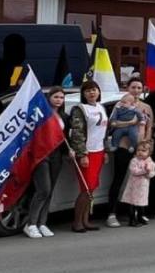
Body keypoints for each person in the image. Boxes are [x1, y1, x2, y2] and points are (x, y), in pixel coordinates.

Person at [105, 76, 153, 227]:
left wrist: (146, 144)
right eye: (133, 87)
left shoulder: (146, 107)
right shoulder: (120, 105)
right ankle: (112, 213)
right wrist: (129, 123)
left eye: (139, 88)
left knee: (140, 182)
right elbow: (112, 124)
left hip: (141, 150)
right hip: (124, 146)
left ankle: (138, 212)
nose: (136, 91)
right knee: (118, 179)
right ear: (128, 88)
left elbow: (149, 127)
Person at [24, 86, 68, 239]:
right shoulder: (41, 115)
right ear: (49, 98)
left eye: (61, 98)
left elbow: (65, 137)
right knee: (43, 189)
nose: (59, 100)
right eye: (56, 97)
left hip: (57, 155)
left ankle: (42, 223)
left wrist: (71, 150)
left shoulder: (64, 116)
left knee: (50, 191)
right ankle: (31, 224)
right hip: (41, 154)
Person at [66, 79, 106, 233]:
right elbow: (77, 133)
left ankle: (85, 220)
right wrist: (82, 154)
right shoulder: (80, 109)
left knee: (92, 188)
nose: (92, 92)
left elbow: (104, 131)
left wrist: (106, 151)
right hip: (87, 152)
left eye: (94, 90)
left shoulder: (101, 107)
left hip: (99, 151)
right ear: (83, 93)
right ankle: (77, 222)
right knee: (86, 188)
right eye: (88, 90)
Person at [123, 140, 155, 227]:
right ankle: (132, 219)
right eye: (138, 150)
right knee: (133, 203)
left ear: (149, 153)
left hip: (143, 187)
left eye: (143, 151)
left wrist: (149, 173)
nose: (140, 152)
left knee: (141, 203)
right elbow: (134, 171)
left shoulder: (150, 162)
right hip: (133, 187)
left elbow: (152, 173)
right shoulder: (134, 161)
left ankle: (141, 217)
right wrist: (144, 170)